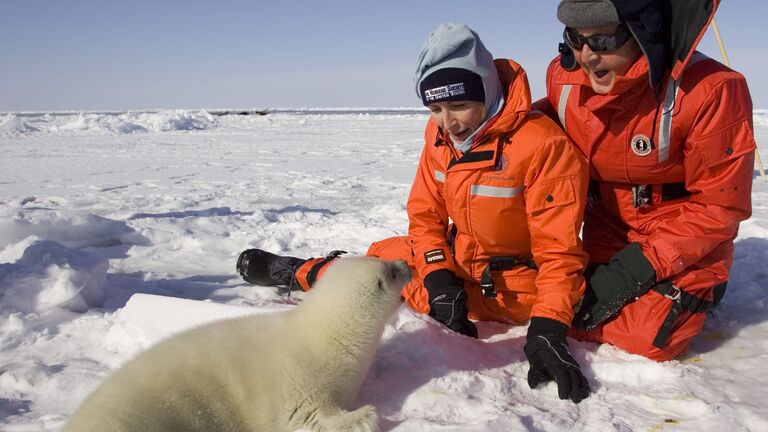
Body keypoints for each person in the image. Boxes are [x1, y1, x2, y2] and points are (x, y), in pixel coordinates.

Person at [238, 23, 592, 402]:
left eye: (458, 105)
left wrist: (548, 328)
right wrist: (439, 275)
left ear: (487, 90)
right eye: (435, 108)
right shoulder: (440, 138)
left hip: (515, 288)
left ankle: (309, 276)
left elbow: (560, 252)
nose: (447, 121)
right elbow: (424, 214)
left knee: (384, 281)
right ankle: (301, 271)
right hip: (458, 261)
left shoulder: (543, 146)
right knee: (383, 254)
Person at [533, 0, 756, 361]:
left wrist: (635, 270)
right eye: (575, 39)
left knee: (646, 337)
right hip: (607, 228)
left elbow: (720, 206)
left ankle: (705, 290)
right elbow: (530, 138)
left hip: (684, 239)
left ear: (644, 33)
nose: (587, 56)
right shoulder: (564, 80)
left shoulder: (712, 91)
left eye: (604, 41)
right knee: (547, 303)